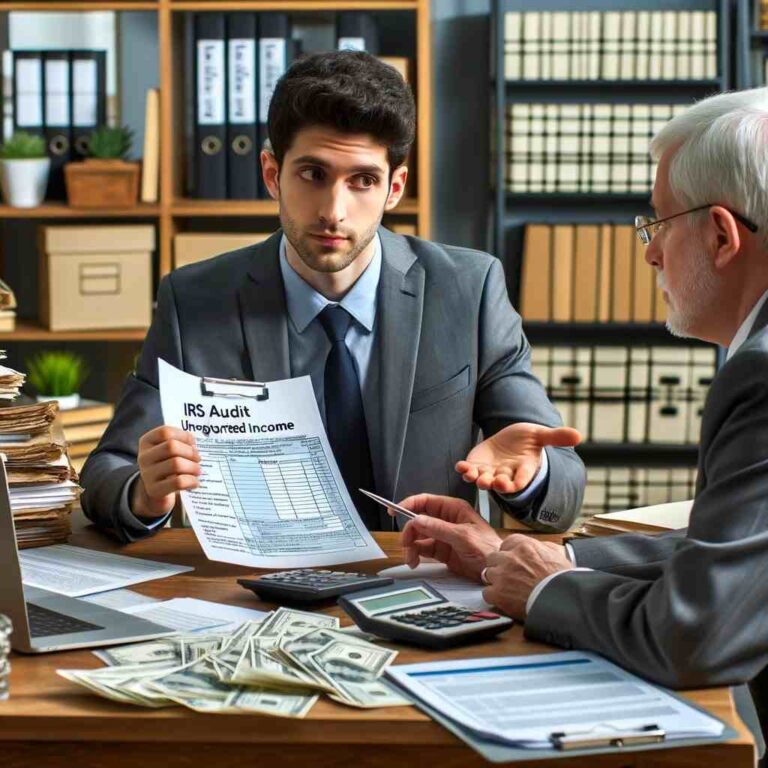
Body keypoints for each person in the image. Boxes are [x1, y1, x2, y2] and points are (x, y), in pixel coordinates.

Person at [80, 51, 585, 543]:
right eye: (312, 174)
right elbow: (107, 469)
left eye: (362, 181)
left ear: (394, 188)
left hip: (418, 576)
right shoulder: (192, 300)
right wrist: (144, 495)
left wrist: (533, 472)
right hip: (250, 589)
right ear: (273, 174)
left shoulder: (469, 291)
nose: (333, 211)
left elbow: (563, 485)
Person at [394, 86, 768, 746]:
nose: (650, 254)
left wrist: (548, 589)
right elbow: (735, 551)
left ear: (720, 234)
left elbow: (697, 633)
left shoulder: (761, 374)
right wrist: (526, 555)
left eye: (658, 224)